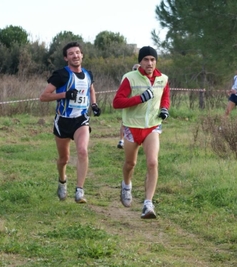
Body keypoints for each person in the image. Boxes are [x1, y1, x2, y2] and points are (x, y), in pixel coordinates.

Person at [39, 41, 101, 204]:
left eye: (78, 52)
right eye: (71, 53)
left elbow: (90, 88)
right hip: (63, 121)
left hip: (81, 119)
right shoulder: (61, 75)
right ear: (66, 58)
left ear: (82, 55)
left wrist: (94, 104)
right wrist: (65, 95)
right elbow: (44, 97)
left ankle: (79, 190)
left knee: (82, 151)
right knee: (64, 159)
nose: (75, 55)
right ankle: (62, 180)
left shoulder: (88, 74)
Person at [113, 46, 170, 219]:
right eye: (146, 59)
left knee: (153, 162)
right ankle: (126, 185)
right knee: (130, 164)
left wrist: (165, 109)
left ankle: (148, 203)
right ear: (140, 61)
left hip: (152, 126)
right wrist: (139, 99)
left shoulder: (163, 79)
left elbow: (165, 97)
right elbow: (117, 102)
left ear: (156, 62)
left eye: (152, 59)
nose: (149, 63)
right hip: (131, 127)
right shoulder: (129, 78)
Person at [117, 63, 141, 149]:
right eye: (135, 69)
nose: (136, 71)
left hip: (139, 105)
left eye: (138, 69)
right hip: (128, 103)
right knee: (124, 122)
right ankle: (121, 140)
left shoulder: (142, 79)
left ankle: (138, 141)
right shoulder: (127, 77)